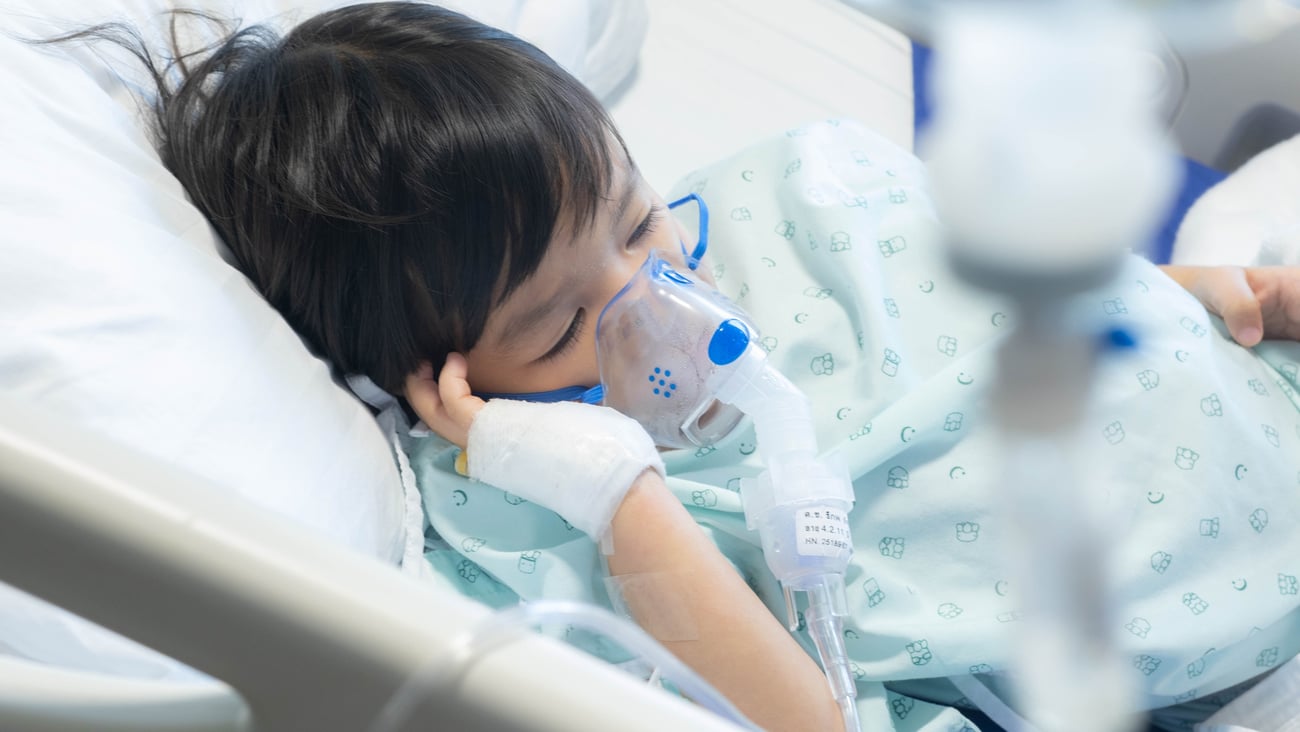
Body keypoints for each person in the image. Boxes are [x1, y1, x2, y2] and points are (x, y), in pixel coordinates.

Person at [66, 3, 1300, 730]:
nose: (662, 302)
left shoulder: (793, 192)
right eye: (556, 332)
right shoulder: (532, 527)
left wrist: (1221, 293)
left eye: (640, 218)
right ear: (440, 384)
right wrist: (621, 499)